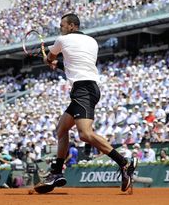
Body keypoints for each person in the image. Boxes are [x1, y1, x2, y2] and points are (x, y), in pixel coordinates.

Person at [41, 13, 137, 193]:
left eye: (62, 25)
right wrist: (58, 65)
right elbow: (77, 66)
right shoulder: (92, 41)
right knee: (62, 129)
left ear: (71, 26)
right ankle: (57, 172)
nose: (60, 28)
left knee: (85, 134)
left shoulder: (62, 39)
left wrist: (48, 60)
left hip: (82, 89)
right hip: (89, 87)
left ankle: (124, 164)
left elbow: (50, 58)